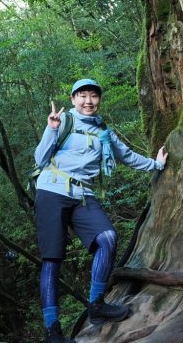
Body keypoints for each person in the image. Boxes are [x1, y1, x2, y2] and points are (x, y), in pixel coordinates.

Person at [32, 77, 168, 343]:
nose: (88, 101)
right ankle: (53, 331)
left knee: (108, 238)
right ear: (73, 100)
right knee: (52, 259)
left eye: (93, 96)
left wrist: (156, 164)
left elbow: (127, 155)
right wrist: (51, 130)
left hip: (83, 194)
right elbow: (40, 159)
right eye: (82, 95)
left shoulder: (104, 131)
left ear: (99, 100)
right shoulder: (63, 122)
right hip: (52, 191)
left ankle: (97, 305)